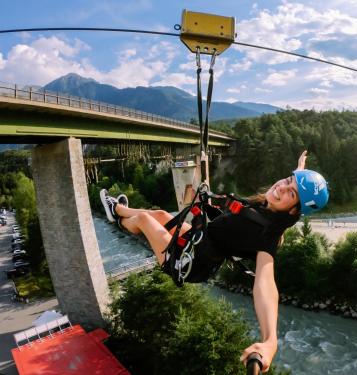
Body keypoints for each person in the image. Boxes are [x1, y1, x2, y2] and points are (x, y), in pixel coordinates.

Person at [100, 151, 329, 372]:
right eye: (288, 180)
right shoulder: (268, 206)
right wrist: (300, 169)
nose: (282, 187)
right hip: (200, 241)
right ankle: (118, 211)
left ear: (293, 212)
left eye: (291, 193)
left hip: (187, 262)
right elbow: (292, 187)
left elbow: (266, 285)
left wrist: (270, 341)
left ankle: (117, 215)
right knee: (159, 214)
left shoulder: (268, 236)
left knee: (142, 219)